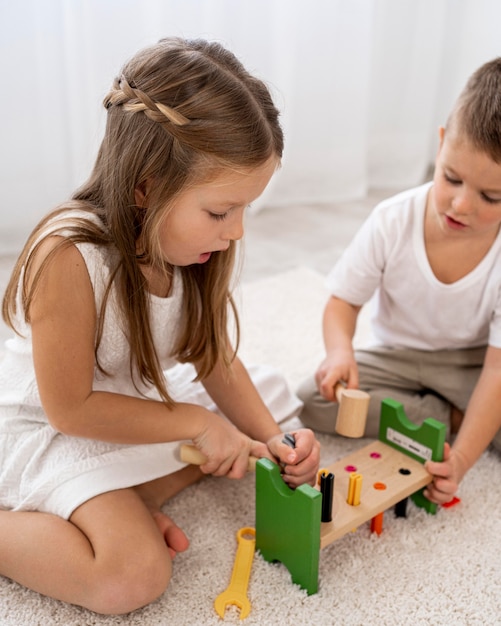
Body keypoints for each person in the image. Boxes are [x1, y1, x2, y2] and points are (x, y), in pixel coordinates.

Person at [0, 37, 320, 615]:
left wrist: (274, 439)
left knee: (266, 408)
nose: (237, 231)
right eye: (221, 212)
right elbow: (69, 410)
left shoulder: (191, 252)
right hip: (49, 426)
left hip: (127, 404)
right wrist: (197, 422)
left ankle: (105, 505)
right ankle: (54, 514)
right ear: (145, 187)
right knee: (132, 576)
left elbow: (214, 358)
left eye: (246, 210)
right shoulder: (69, 258)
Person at [298, 57, 501, 509]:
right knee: (313, 399)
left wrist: (462, 458)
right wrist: (340, 352)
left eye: (491, 197)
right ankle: (444, 414)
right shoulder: (392, 220)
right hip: (396, 357)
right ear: (442, 144)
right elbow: (342, 303)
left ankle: (456, 418)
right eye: (451, 177)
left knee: (493, 411)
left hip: (472, 365)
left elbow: (496, 370)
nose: (462, 205)